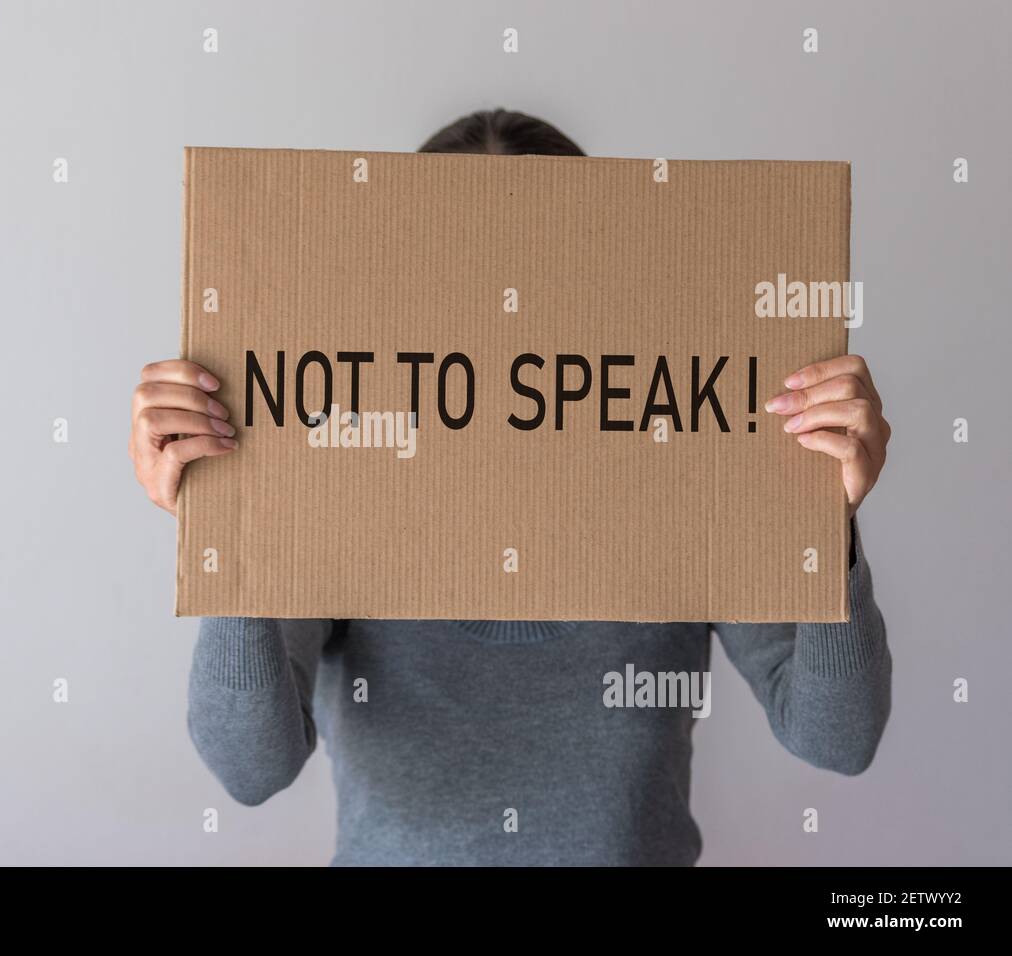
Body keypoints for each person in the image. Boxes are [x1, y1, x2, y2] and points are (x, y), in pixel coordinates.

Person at [129, 109, 892, 865]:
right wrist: (228, 519)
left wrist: (825, 520)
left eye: (532, 256)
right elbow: (250, 768)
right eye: (466, 257)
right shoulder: (335, 474)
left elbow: (837, 740)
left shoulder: (686, 466)